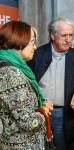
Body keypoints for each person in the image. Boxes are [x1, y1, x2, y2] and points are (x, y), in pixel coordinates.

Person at [27, 17, 74, 150]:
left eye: (71, 35)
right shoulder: (36, 54)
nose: (68, 39)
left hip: (65, 113)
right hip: (39, 112)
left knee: (63, 146)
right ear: (52, 36)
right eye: (64, 35)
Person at [0, 21, 53, 150]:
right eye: (32, 42)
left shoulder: (10, 65)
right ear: (18, 42)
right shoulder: (12, 73)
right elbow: (28, 122)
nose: (35, 47)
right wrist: (44, 112)